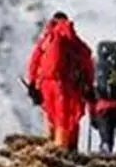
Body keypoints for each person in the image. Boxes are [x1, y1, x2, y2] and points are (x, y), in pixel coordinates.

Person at [24, 11, 95, 153]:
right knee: (67, 117)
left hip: (45, 83)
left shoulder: (46, 39)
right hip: (66, 84)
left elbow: (34, 61)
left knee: (51, 115)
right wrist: (88, 84)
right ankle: (64, 149)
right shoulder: (72, 39)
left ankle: (52, 145)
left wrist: (32, 83)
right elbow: (87, 59)